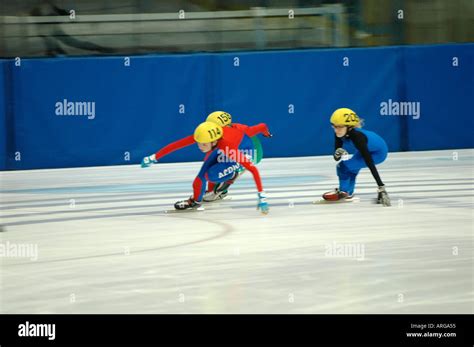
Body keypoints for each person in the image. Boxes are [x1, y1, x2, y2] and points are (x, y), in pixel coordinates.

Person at [141, 120, 271, 214]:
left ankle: (233, 174)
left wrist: (262, 197)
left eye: (203, 145)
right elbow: (176, 145)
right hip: (220, 149)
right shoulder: (206, 136)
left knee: (211, 175)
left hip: (245, 152)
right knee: (201, 176)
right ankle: (195, 201)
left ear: (214, 141)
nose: (199, 147)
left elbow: (253, 170)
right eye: (198, 144)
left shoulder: (229, 147)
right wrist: (153, 157)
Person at [323, 108, 391, 206]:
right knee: (351, 169)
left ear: (349, 127)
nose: (336, 130)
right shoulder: (338, 133)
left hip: (378, 153)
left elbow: (369, 162)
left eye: (339, 127)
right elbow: (336, 157)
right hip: (369, 148)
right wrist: (337, 154)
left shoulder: (358, 137)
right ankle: (348, 193)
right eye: (334, 126)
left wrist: (381, 186)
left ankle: (344, 192)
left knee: (342, 167)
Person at [202, 111, 271, 201]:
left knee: (230, 169)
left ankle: (224, 186)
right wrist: (266, 134)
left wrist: (266, 133)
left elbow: (262, 126)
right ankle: (218, 189)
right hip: (237, 151)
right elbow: (262, 127)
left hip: (253, 153)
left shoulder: (241, 130)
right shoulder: (221, 133)